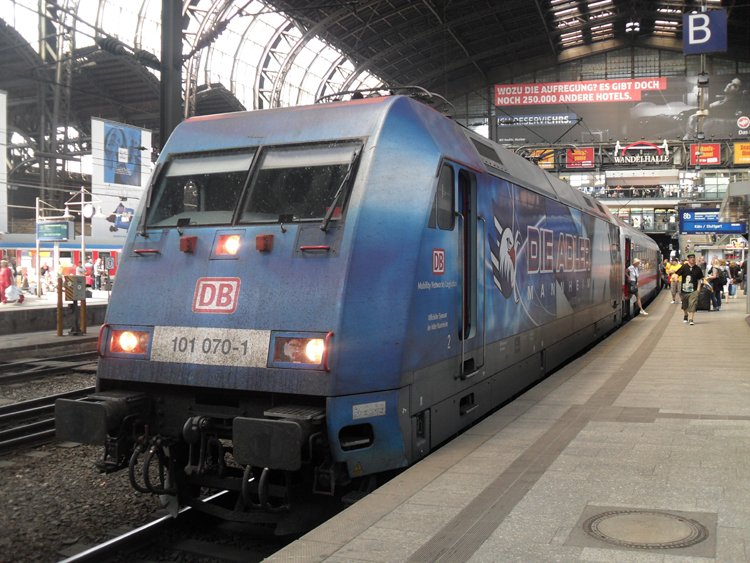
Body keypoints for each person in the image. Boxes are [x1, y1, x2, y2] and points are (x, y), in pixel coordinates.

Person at [673, 253, 704, 325]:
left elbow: (700, 280)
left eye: (693, 258)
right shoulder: (684, 267)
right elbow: (676, 274)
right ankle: (686, 315)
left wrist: (698, 289)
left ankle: (691, 319)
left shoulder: (698, 269)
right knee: (684, 305)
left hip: (693, 291)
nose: (692, 259)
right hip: (684, 291)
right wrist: (676, 278)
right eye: (691, 258)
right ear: (688, 259)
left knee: (693, 304)